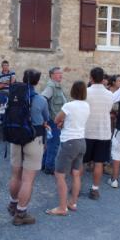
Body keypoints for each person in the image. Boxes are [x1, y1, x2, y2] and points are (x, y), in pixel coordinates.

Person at [7, 69, 49, 226]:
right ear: (37, 82)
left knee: (15, 175)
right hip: (33, 139)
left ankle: (13, 203)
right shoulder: (40, 100)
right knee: (28, 180)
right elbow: (47, 118)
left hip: (15, 137)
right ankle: (21, 213)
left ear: (23, 79)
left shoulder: (14, 95)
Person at [46, 81, 90, 216]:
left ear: (73, 91)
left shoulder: (68, 105)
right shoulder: (86, 105)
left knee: (59, 175)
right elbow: (75, 121)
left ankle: (62, 207)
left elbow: (56, 119)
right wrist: (64, 124)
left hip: (69, 142)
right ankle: (73, 202)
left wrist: (61, 124)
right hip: (81, 141)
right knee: (76, 173)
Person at [82, 67, 114, 200]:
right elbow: (110, 109)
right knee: (99, 162)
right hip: (103, 132)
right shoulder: (110, 94)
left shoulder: (86, 92)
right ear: (103, 79)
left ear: (91, 77)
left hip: (87, 131)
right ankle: (95, 189)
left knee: (81, 162)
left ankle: (77, 186)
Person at [41, 67, 67, 175]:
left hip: (56, 120)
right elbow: (42, 99)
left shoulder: (57, 86)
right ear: (52, 75)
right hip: (53, 120)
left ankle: (44, 164)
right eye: (58, 73)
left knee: (51, 143)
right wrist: (46, 117)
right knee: (54, 144)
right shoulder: (51, 87)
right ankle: (49, 167)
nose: (61, 75)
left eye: (61, 73)